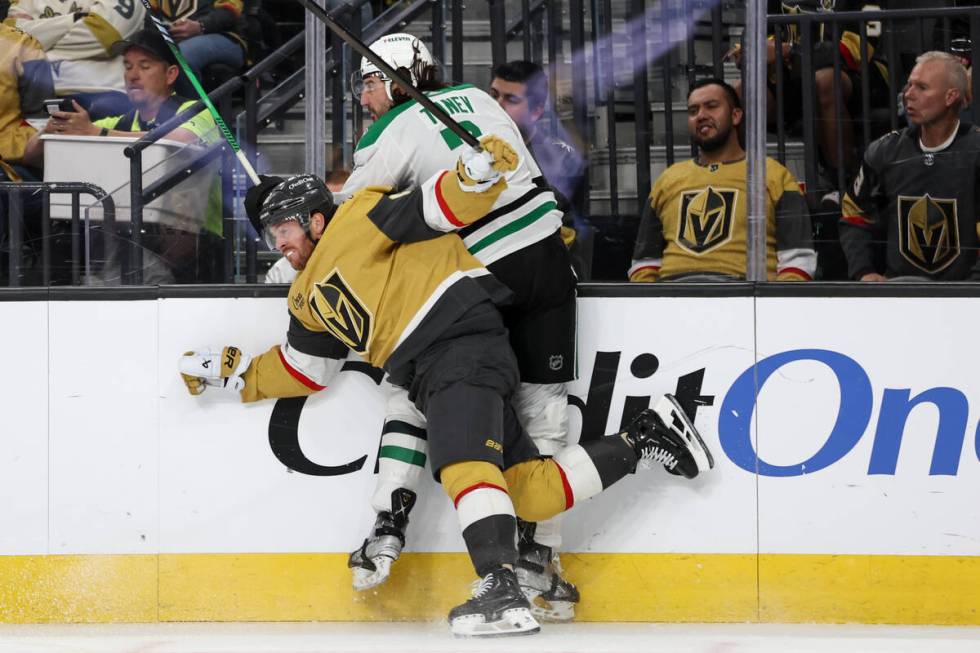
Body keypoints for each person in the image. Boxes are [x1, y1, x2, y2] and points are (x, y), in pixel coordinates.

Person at [178, 148, 715, 637]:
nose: (278, 243)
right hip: (430, 373)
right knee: (529, 490)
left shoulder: (361, 215)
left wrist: (473, 174)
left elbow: (435, 206)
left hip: (459, 343)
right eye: (271, 235)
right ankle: (645, 437)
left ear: (315, 218)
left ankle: (499, 587)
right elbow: (307, 369)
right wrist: (235, 376)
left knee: (462, 466)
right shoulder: (304, 299)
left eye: (282, 229)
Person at [339, 34, 581, 621]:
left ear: (399, 81)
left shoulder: (387, 131)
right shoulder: (477, 95)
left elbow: (353, 216)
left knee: (423, 392)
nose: (364, 95)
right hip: (548, 258)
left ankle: (388, 519)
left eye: (371, 82)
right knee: (544, 405)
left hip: (482, 270)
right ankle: (536, 554)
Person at [20, 28, 220, 284]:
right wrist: (53, 129)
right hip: (128, 240)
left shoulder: (194, 110)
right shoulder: (121, 122)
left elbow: (176, 139)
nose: (133, 75)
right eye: (127, 66)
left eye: (144, 66)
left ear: (171, 74)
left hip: (196, 244)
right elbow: (31, 155)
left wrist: (95, 132)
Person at [630, 78, 816, 282]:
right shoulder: (668, 179)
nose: (701, 115)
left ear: (736, 115)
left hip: (747, 300)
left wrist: (771, 308)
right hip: (674, 298)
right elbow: (644, 263)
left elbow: (798, 262)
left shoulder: (773, 175)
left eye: (711, 106)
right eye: (693, 111)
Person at [840, 51, 980, 281]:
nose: (908, 94)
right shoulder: (884, 151)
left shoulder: (975, 152)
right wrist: (863, 271)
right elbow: (853, 213)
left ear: (950, 97)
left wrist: (971, 289)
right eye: (909, 85)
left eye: (922, 87)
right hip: (898, 293)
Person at [489, 60, 592, 280]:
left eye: (511, 99)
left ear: (536, 111)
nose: (497, 105)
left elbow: (567, 236)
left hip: (543, 276)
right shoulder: (472, 152)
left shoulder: (561, 159)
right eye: (494, 95)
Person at [5, 0, 144, 106]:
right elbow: (13, 36)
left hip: (104, 95)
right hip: (38, 100)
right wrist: (76, 19)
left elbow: (106, 35)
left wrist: (40, 48)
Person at [147, 0, 247, 88]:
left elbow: (230, 12)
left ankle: (193, 108)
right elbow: (150, 15)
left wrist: (201, 26)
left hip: (224, 36)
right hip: (174, 42)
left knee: (181, 56)